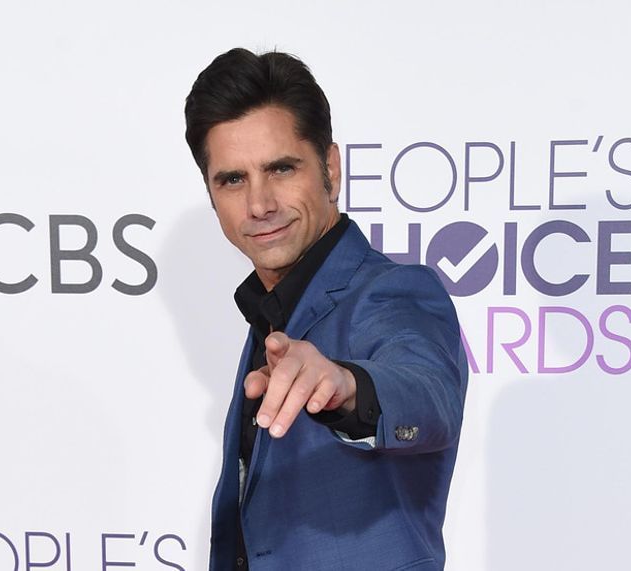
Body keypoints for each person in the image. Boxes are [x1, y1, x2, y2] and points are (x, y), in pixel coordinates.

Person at [184, 47, 468, 571]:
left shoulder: (394, 291)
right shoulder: (273, 313)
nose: (260, 204)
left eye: (281, 169)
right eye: (232, 179)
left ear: (329, 169)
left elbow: (427, 393)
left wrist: (346, 386)